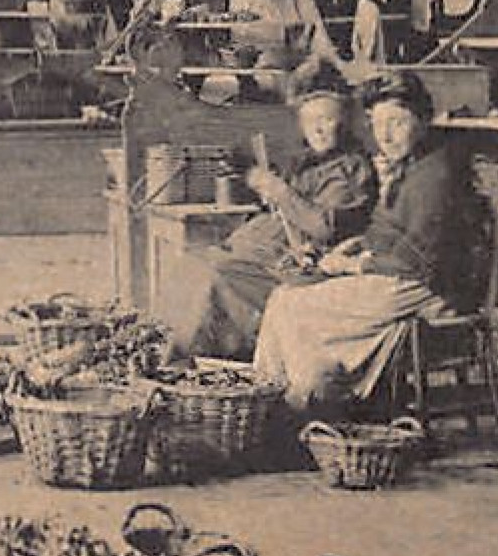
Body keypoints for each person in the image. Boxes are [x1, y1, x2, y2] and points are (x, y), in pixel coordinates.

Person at [253, 69, 484, 415]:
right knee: (287, 296)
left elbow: (417, 260)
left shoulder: (436, 175)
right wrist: (356, 245)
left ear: (423, 119)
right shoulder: (414, 163)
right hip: (406, 276)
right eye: (378, 125)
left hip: (430, 287)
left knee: (290, 304)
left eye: (397, 123)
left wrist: (353, 265)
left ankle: (297, 403)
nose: (386, 136)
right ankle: (289, 397)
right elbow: (392, 232)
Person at [151, 59, 377, 361]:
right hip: (271, 255)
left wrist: (280, 192)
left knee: (214, 275)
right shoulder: (311, 162)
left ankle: (198, 368)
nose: (318, 130)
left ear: (344, 122)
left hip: (309, 271)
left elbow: (325, 227)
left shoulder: (351, 169)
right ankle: (174, 362)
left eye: (327, 120)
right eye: (311, 123)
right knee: (190, 264)